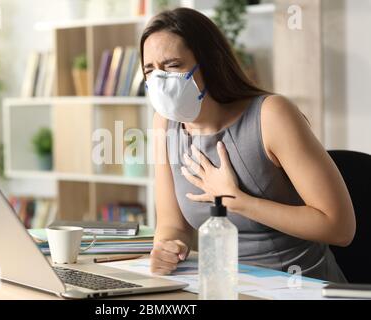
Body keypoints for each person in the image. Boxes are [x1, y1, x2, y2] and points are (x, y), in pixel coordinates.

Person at [141, 7, 355, 282]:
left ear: (209, 64)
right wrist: (167, 248)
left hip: (299, 285)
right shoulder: (164, 124)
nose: (160, 80)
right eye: (150, 70)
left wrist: (239, 202)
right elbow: (172, 225)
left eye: (171, 66)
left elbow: (339, 227)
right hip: (224, 285)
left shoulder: (272, 115)